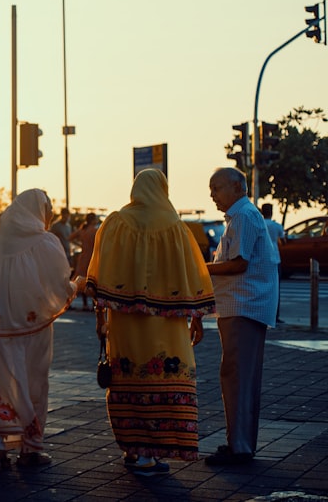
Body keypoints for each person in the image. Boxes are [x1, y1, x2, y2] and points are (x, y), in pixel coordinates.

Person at [82, 169, 215, 477]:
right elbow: (191, 275)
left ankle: (134, 450)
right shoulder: (175, 227)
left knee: (129, 378)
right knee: (164, 378)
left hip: (125, 324)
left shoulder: (115, 223)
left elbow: (98, 277)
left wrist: (101, 318)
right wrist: (197, 319)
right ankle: (149, 455)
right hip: (167, 326)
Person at [0, 189, 76, 471]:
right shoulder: (46, 242)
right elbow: (59, 284)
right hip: (30, 330)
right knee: (32, 383)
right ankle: (30, 450)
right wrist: (76, 287)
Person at [205, 167, 278, 466]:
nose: (212, 195)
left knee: (239, 376)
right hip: (237, 306)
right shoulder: (238, 217)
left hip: (245, 306)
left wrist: (201, 267)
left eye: (216, 188)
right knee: (235, 375)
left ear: (237, 188)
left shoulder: (245, 216)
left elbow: (238, 264)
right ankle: (237, 442)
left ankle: (241, 447)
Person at [261, 202, 286, 323]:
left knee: (261, 288)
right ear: (272, 212)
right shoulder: (277, 226)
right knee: (275, 289)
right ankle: (275, 315)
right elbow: (282, 241)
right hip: (275, 259)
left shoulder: (259, 224)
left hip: (261, 259)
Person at [68, 212, 100, 310]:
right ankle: (93, 305)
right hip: (92, 258)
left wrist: (79, 244)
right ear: (93, 220)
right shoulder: (95, 231)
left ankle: (80, 303)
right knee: (92, 281)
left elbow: (69, 238)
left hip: (82, 257)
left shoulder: (82, 230)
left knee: (79, 281)